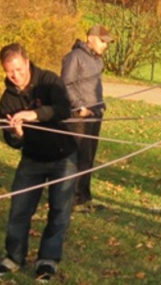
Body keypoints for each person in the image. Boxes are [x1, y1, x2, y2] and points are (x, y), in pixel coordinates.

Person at [0, 43, 78, 283]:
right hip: (32, 159)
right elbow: (12, 142)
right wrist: (17, 134)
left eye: (19, 68)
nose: (16, 76)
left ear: (27, 62)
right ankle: (14, 258)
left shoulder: (48, 80)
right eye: (10, 72)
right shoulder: (7, 101)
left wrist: (34, 114)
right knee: (19, 209)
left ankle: (47, 260)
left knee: (59, 211)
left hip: (63, 156)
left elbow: (62, 109)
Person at [62, 24, 112, 210]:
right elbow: (65, 84)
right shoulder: (74, 57)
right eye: (102, 41)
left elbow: (92, 87)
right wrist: (78, 106)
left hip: (95, 114)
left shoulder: (97, 60)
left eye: (107, 42)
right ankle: (72, 199)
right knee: (78, 157)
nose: (105, 45)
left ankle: (84, 197)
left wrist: (100, 103)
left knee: (89, 158)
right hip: (78, 117)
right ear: (90, 38)